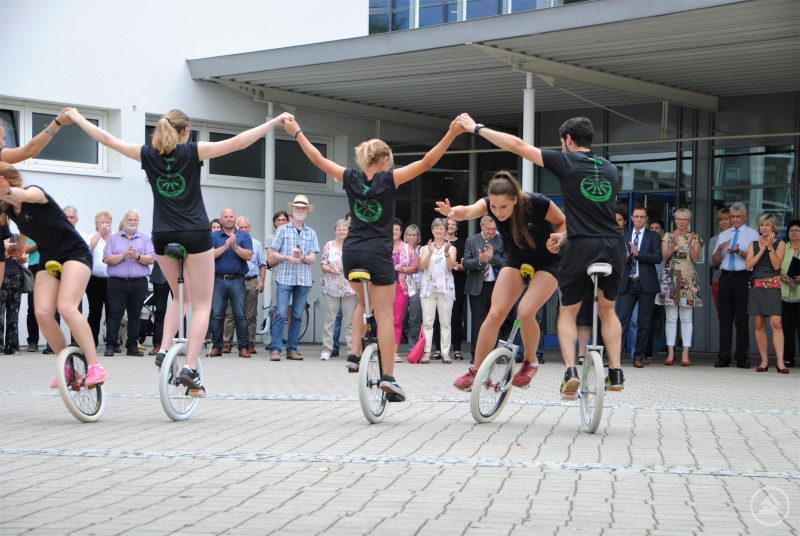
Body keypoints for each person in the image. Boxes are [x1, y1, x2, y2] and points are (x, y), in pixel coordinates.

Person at [66, 107, 293, 396]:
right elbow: (239, 142)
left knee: (177, 296)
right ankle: (190, 368)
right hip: (195, 234)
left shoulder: (148, 154)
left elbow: (108, 140)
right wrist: (272, 121)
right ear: (185, 132)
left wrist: (77, 118)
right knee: (201, 304)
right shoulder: (191, 151)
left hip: (163, 235)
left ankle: (163, 349)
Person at [283, 115, 462, 401]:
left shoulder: (350, 177)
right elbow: (427, 162)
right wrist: (451, 133)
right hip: (379, 254)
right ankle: (389, 378)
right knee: (384, 316)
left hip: (351, 253)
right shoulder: (389, 179)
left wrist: (297, 132)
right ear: (384, 160)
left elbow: (317, 159)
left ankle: (354, 355)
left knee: (361, 304)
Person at [456, 114, 626, 393]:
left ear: (568, 140)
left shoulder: (567, 161)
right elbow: (595, 212)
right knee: (607, 309)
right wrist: (562, 233)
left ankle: (570, 371)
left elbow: (517, 146)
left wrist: (478, 128)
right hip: (613, 244)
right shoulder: (611, 169)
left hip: (582, 245)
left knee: (568, 312)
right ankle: (616, 372)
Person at [437, 171, 565, 391]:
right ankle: (476, 370)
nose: (498, 212)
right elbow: (469, 210)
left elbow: (563, 222)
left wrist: (559, 238)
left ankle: (530, 362)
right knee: (495, 313)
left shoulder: (538, 203)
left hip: (547, 263)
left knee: (525, 312)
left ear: (515, 198)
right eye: (494, 208)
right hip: (515, 261)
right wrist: (452, 212)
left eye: (503, 207)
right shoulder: (491, 205)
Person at [0, 163, 108, 387]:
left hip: (75, 253)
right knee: (42, 313)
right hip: (50, 257)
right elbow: (25, 227)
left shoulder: (35, 193)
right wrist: (20, 246)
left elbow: (25, 194)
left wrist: (9, 192)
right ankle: (68, 367)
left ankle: (95, 365)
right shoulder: (11, 211)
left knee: (67, 307)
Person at [268, 194, 320, 361]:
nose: (300, 210)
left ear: (306, 211)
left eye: (303, 208)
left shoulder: (311, 233)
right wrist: (287, 258)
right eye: (297, 207)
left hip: (303, 280)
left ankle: (291, 349)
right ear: (293, 209)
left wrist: (301, 257)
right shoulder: (282, 230)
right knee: (281, 314)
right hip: (284, 278)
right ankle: (275, 349)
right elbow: (273, 254)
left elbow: (313, 258)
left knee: (297, 315)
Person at [711, 202, 759, 368]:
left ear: (745, 217)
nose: (735, 219)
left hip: (743, 276)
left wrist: (739, 251)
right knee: (724, 319)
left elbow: (756, 259)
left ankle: (741, 357)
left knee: (742, 319)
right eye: (733, 217)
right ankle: (723, 356)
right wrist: (719, 250)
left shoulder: (752, 234)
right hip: (725, 277)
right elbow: (715, 262)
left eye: (738, 216)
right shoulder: (723, 235)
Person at [102, 209, 155, 357]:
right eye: (129, 219)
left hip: (138, 282)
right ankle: (111, 345)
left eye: (135, 220)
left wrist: (137, 256)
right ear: (124, 221)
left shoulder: (145, 239)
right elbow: (107, 259)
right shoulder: (114, 239)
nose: (132, 222)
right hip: (117, 282)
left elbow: (151, 259)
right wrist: (124, 255)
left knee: (135, 315)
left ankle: (132, 346)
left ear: (138, 222)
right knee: (114, 314)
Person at [656, 208, 703, 366]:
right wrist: (673, 244)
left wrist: (689, 245)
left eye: (685, 219)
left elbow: (695, 259)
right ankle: (670, 353)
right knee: (670, 318)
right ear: (675, 220)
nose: (681, 221)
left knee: (686, 318)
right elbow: (664, 257)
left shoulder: (695, 237)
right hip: (670, 278)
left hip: (688, 279)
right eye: (679, 219)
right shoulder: (668, 236)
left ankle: (685, 353)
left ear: (689, 221)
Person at [745, 214, 787, 373]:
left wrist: (769, 247)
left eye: (767, 225)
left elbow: (776, 266)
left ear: (773, 227)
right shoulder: (753, 244)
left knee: (776, 323)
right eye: (761, 225)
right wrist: (761, 249)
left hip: (773, 285)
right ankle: (764, 362)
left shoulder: (780, 243)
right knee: (759, 323)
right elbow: (748, 266)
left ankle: (780, 362)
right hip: (757, 285)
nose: (764, 228)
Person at [209, 208, 253, 358]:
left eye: (231, 216)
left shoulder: (243, 236)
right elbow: (208, 255)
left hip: (237, 280)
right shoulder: (214, 236)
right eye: (225, 217)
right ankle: (216, 347)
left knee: (240, 315)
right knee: (217, 315)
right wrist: (225, 246)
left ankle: (243, 348)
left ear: (235, 219)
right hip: (218, 280)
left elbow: (248, 256)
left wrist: (235, 246)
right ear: (220, 220)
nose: (228, 219)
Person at [222, 216, 266, 355]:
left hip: (251, 281)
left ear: (249, 227)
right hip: (235, 281)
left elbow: (262, 264)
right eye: (240, 227)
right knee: (230, 314)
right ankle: (227, 343)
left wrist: (261, 281)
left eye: (245, 227)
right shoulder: (230, 242)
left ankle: (250, 344)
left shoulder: (257, 244)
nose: (243, 229)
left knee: (250, 315)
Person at [462, 215, 503, 362]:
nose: (492, 232)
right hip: (477, 287)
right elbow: (466, 264)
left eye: (494, 229)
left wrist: (492, 258)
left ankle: (495, 355)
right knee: (477, 322)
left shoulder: (502, 241)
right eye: (489, 229)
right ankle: (476, 355)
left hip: (496, 286)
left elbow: (507, 263)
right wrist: (479, 261)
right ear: (481, 226)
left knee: (495, 319)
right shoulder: (471, 241)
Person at [419, 218, 456, 364]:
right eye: (436, 228)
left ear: (446, 231)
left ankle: (445, 353)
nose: (439, 231)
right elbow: (422, 266)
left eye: (441, 228)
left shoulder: (451, 248)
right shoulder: (425, 247)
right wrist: (429, 252)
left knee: (445, 323)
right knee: (427, 322)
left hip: (445, 289)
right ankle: (427, 352)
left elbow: (451, 266)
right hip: (428, 288)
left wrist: (446, 253)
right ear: (432, 230)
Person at [320, 219, 357, 360]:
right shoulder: (329, 245)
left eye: (344, 229)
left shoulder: (353, 246)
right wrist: (331, 269)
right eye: (339, 229)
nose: (342, 232)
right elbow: (323, 265)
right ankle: (327, 349)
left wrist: (345, 269)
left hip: (349, 287)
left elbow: (357, 264)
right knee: (330, 319)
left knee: (350, 321)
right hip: (331, 287)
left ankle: (351, 350)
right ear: (335, 231)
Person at [392, 218, 419, 362]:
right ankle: (381, 351)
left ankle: (394, 353)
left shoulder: (407, 248)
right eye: (391, 229)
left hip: (401, 287)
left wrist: (404, 269)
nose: (394, 232)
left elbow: (416, 267)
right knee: (382, 319)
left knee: (397, 320)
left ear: (401, 232)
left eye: (396, 229)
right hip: (383, 286)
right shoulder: (382, 246)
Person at [86, 211, 113, 349]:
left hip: (112, 280)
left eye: (107, 222)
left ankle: (111, 343)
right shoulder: (92, 237)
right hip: (95, 281)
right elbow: (88, 249)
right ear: (96, 225)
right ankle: (92, 342)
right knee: (95, 312)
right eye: (102, 222)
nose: (105, 225)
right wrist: (99, 234)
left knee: (112, 312)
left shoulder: (115, 238)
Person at [445, 217, 467, 361]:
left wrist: (460, 266)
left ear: (457, 227)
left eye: (454, 224)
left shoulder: (463, 243)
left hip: (458, 281)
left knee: (455, 316)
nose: (451, 226)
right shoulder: (437, 242)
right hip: (441, 282)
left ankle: (457, 349)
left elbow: (464, 262)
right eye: (448, 224)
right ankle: (440, 349)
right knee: (440, 318)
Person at [780, 219, 800, 368]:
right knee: (787, 328)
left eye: (797, 230)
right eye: (791, 230)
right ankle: (788, 358)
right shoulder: (783, 248)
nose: (793, 233)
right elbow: (774, 266)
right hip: (785, 293)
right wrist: (785, 278)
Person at [645, 218, 665, 361]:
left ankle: (666, 345)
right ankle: (648, 349)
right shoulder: (646, 243)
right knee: (649, 319)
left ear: (662, 231)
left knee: (665, 318)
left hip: (664, 289)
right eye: (651, 228)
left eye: (657, 228)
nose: (654, 230)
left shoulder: (664, 244)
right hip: (650, 287)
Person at [403, 224, 424, 353]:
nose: (412, 237)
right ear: (405, 236)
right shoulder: (401, 248)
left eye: (414, 235)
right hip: (403, 286)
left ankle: (413, 348)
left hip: (417, 288)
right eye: (409, 234)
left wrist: (413, 252)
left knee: (415, 319)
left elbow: (422, 265)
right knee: (402, 319)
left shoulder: (422, 249)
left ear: (418, 236)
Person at [708, 208, 732, 312]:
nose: (723, 222)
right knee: (723, 315)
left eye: (726, 219)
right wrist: (719, 250)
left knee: (739, 317)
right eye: (720, 220)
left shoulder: (740, 237)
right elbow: (711, 263)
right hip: (718, 279)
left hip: (737, 280)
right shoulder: (714, 240)